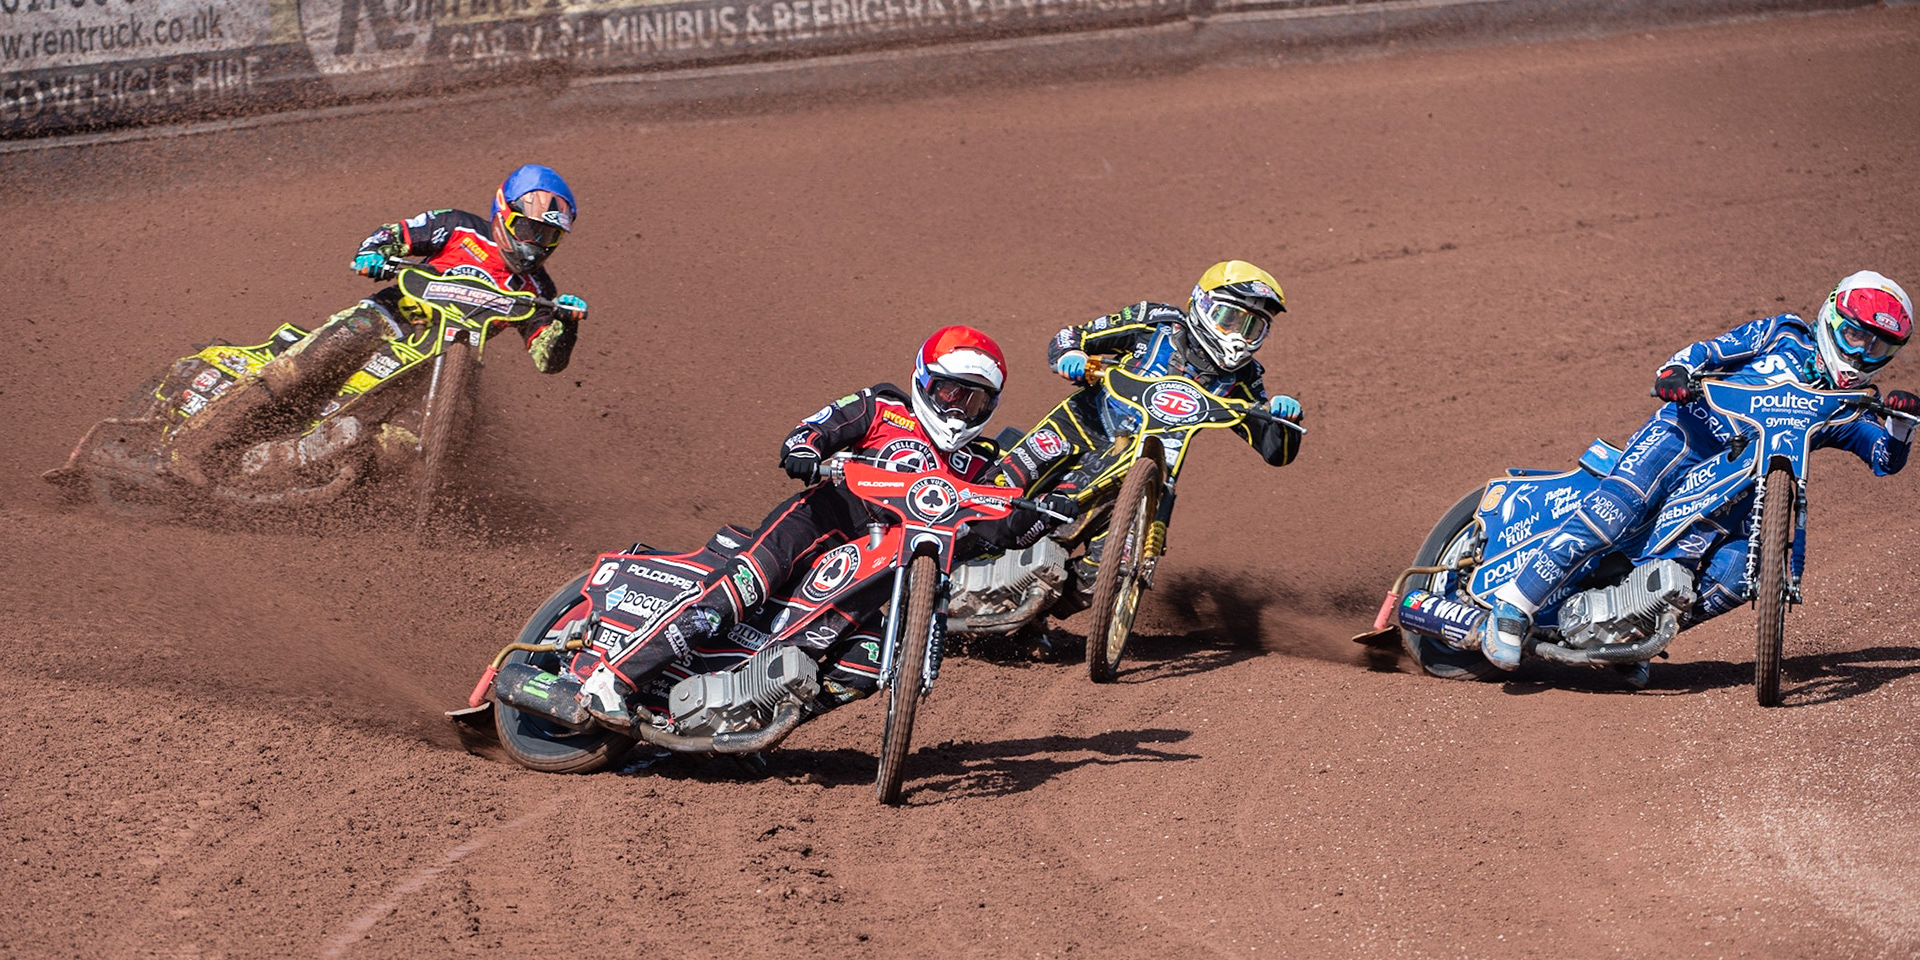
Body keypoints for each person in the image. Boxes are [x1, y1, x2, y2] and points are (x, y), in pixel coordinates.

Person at [577, 326, 1078, 727]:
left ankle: (754, 722)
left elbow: (998, 524)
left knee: (866, 660)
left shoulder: (979, 463)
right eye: (949, 392)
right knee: (738, 592)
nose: (956, 408)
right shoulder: (884, 406)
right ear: (925, 381)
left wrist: (1040, 516)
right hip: (823, 519)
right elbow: (815, 429)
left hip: (880, 568)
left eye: (973, 401)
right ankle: (613, 680)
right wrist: (804, 450)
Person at [1477, 270, 1919, 682]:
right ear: (1830, 316)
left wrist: (1901, 424)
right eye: (1855, 335)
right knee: (1615, 513)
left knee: (1737, 576)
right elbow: (1713, 350)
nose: (1861, 353)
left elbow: (1884, 456)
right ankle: (1514, 606)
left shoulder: (1852, 402)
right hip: (1686, 433)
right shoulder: (1786, 333)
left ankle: (1628, 635)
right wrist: (1677, 371)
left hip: (1742, 485)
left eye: (1877, 348)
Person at [161, 164, 589, 487]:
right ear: (504, 213)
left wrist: (566, 325)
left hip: (443, 364)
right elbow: (395, 233)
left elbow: (546, 359)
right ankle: (194, 448)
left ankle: (303, 470)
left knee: (420, 441)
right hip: (389, 317)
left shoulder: (538, 288)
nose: (536, 243)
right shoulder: (458, 226)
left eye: (547, 237)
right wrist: (374, 254)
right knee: (312, 361)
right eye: (530, 228)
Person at [992, 260, 1305, 601]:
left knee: (1106, 577)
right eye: (1229, 319)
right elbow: (1073, 335)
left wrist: (1284, 419)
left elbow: (1277, 453)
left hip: (1148, 474)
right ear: (1202, 304)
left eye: (1252, 327)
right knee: (998, 491)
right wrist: (1071, 355)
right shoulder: (1155, 322)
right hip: (1080, 427)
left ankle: (1032, 614)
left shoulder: (1244, 379)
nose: (1238, 336)